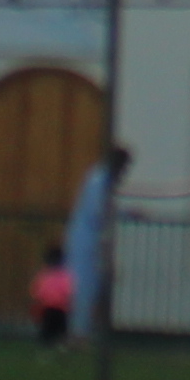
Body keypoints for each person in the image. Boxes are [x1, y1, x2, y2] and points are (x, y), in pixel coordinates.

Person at [62, 144, 128, 348]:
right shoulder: (98, 180)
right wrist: (119, 214)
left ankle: (82, 332)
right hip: (85, 240)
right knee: (83, 287)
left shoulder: (102, 180)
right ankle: (76, 334)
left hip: (92, 241)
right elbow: (97, 211)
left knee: (93, 286)